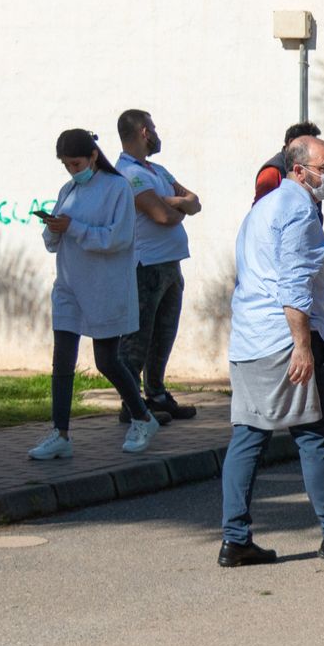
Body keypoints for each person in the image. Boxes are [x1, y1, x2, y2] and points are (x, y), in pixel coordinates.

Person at [220, 135, 324, 565]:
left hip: (251, 340)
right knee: (315, 436)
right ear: (298, 170)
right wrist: (304, 347)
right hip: (283, 342)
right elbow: (293, 286)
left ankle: (235, 540)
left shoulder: (263, 208)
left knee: (248, 437)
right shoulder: (297, 210)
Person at [29, 129, 161, 461]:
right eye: (66, 165)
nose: (72, 170)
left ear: (92, 156)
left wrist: (72, 227)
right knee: (62, 361)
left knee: (106, 361)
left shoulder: (118, 188)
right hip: (69, 286)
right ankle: (60, 433)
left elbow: (115, 239)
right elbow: (53, 241)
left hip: (105, 288)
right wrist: (54, 227)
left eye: (76, 163)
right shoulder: (68, 190)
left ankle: (142, 417)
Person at [114, 109, 201, 424]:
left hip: (171, 264)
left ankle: (157, 394)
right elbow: (163, 216)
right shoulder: (128, 173)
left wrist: (174, 202)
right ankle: (131, 405)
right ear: (143, 132)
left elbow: (195, 201)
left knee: (163, 334)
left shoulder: (157, 170)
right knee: (138, 338)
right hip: (145, 266)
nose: (156, 131)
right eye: (152, 126)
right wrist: (178, 206)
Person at [254, 121, 322, 204]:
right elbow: (262, 209)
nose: (312, 149)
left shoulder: (310, 169)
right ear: (291, 142)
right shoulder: (272, 172)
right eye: (308, 145)